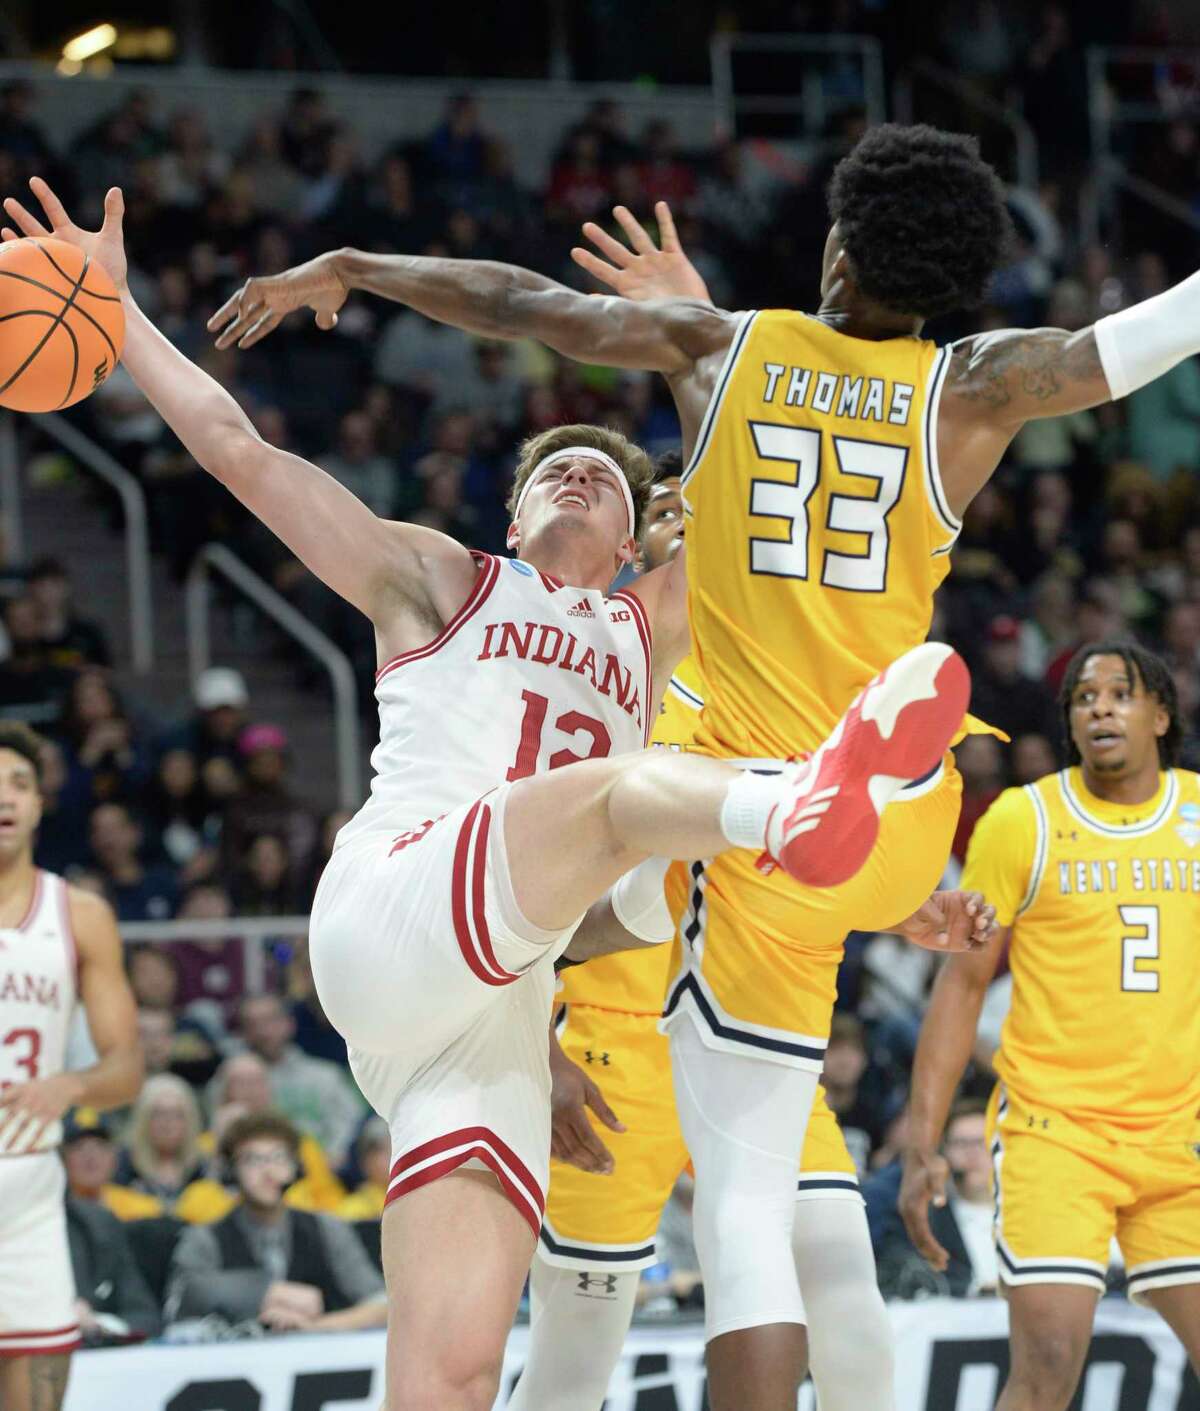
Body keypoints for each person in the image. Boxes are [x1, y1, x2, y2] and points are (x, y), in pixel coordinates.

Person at [197, 118, 1200, 1407]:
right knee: (822, 1251)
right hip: (907, 808)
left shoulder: (722, 351)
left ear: (836, 243)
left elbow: (522, 304)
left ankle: (808, 790)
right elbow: (1120, 348)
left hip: (749, 820)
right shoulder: (971, 386)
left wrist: (357, 263)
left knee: (739, 1215)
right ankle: (869, 755)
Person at [2, 175, 982, 1411]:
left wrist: (695, 317)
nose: (577, 479)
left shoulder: (656, 629)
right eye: (551, 472)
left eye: (604, 480)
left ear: (640, 539)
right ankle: (793, 806)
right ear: (510, 515)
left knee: (455, 1378)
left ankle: (794, 815)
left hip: (497, 1012)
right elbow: (240, 452)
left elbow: (778, 451)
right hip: (398, 899)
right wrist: (121, 310)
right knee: (624, 794)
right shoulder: (437, 579)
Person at [512, 461, 954, 1411]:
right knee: (573, 1353)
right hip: (612, 1051)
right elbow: (524, 883)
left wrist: (900, 899)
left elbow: (817, 850)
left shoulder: (785, 680)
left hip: (752, 1029)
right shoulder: (589, 679)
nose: (697, 525)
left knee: (849, 1304)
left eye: (714, 510)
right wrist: (533, 1041)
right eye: (671, 510)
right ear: (636, 549)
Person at [901, 643, 1200, 1409]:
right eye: (1083, 696)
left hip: (1179, 1137)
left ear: (1161, 715)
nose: (1099, 706)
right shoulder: (1023, 819)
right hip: (1055, 1132)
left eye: (1121, 693)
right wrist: (922, 1141)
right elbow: (962, 984)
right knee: (1049, 1361)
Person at [0, 723, 143, 1411]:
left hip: (29, 1195)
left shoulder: (80, 913)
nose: (5, 797)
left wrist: (72, 1083)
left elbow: (127, 1068)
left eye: (19, 783)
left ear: (39, 802)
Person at [164, 1112, 387, 1332]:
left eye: (279, 1157)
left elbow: (381, 1304)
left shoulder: (326, 1227)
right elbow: (178, 1301)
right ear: (231, 1171)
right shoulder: (206, 1237)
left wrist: (314, 1327)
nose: (268, 1171)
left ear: (296, 1167)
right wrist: (264, 1292)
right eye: (253, 1160)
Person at [877, 1099, 998, 1299]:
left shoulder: (1030, 1214)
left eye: (981, 1142)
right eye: (961, 1144)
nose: (972, 1154)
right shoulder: (923, 1220)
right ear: (944, 1152)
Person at [237, 992, 362, 1166]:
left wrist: (330, 1158)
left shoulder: (325, 1076)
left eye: (270, 1020)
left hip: (324, 1176)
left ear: (289, 1023)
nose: (263, 1031)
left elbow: (351, 1126)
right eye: (252, 1024)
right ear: (243, 1033)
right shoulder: (233, 1080)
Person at [60, 1108, 162, 1222]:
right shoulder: (51, 1211)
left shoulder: (142, 1210)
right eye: (79, 1147)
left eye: (100, 1146)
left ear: (114, 1156)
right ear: (64, 1158)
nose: (90, 1156)